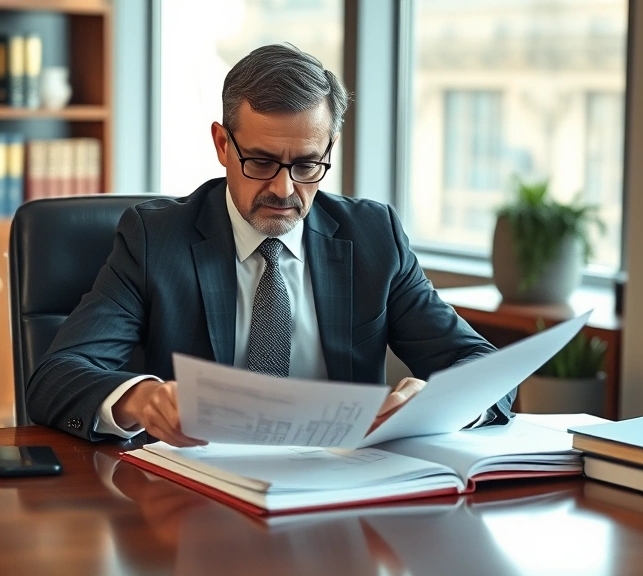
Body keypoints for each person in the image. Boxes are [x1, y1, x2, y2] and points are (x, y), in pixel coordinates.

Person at [26, 43, 514, 446]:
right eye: (260, 162)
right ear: (222, 144)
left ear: (330, 149)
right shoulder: (157, 240)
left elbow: (485, 370)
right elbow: (55, 377)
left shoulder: (373, 237)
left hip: (344, 498)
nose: (283, 190)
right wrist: (139, 399)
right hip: (200, 503)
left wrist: (431, 402)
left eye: (306, 166)